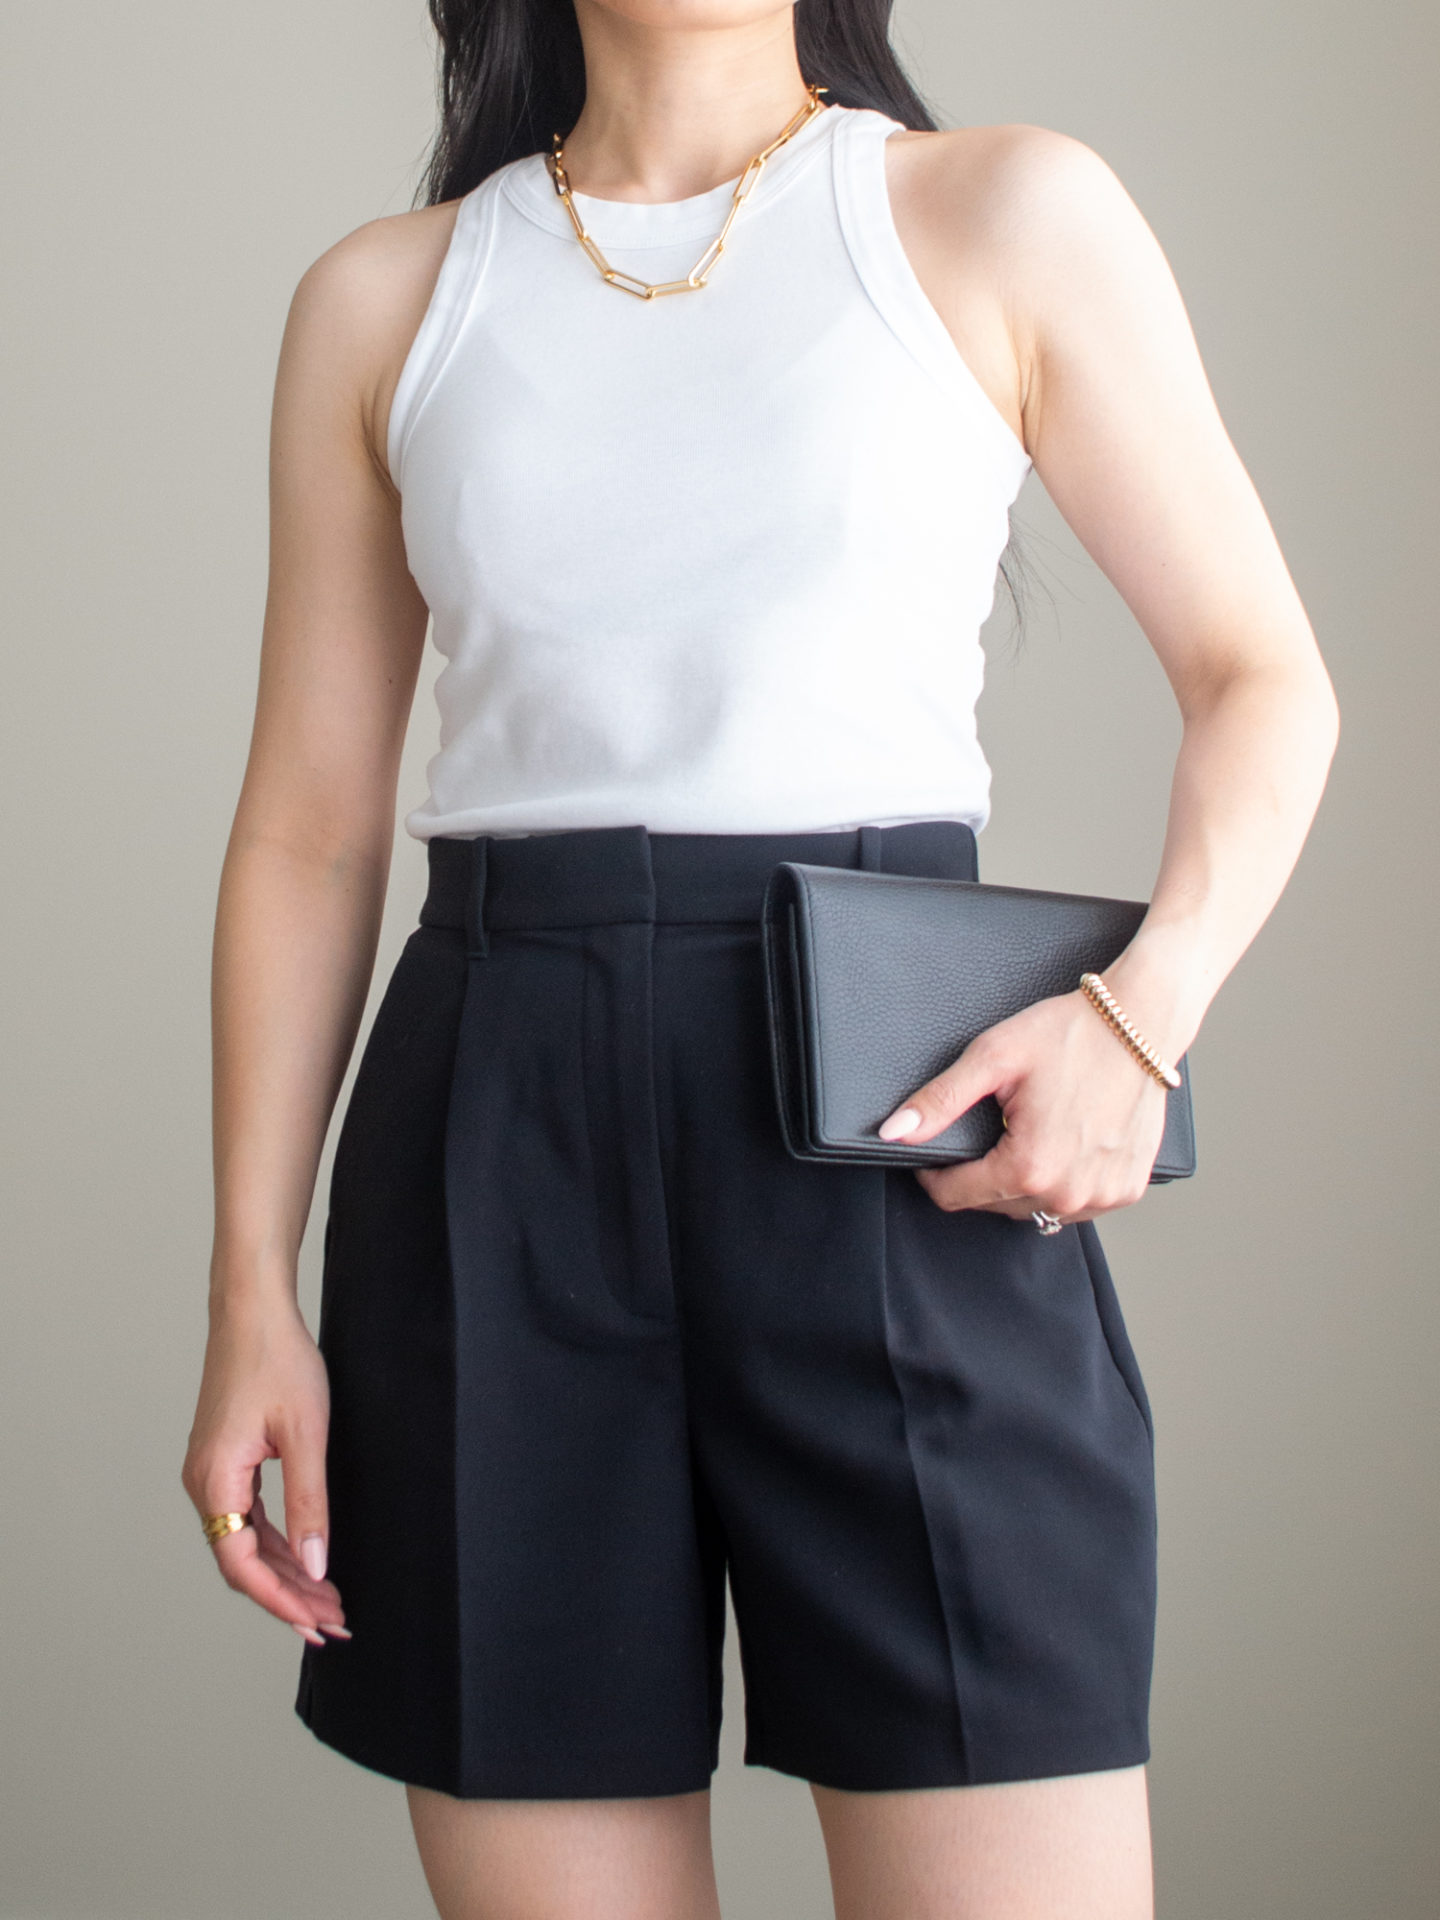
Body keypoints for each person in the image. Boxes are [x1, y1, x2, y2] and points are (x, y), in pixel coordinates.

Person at [181, 1, 1338, 1914]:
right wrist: (248, 1287)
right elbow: (307, 832)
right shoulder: (386, 300)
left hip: (899, 1128)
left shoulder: (997, 214)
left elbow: (1263, 679)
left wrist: (1143, 1020)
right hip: (499, 1142)